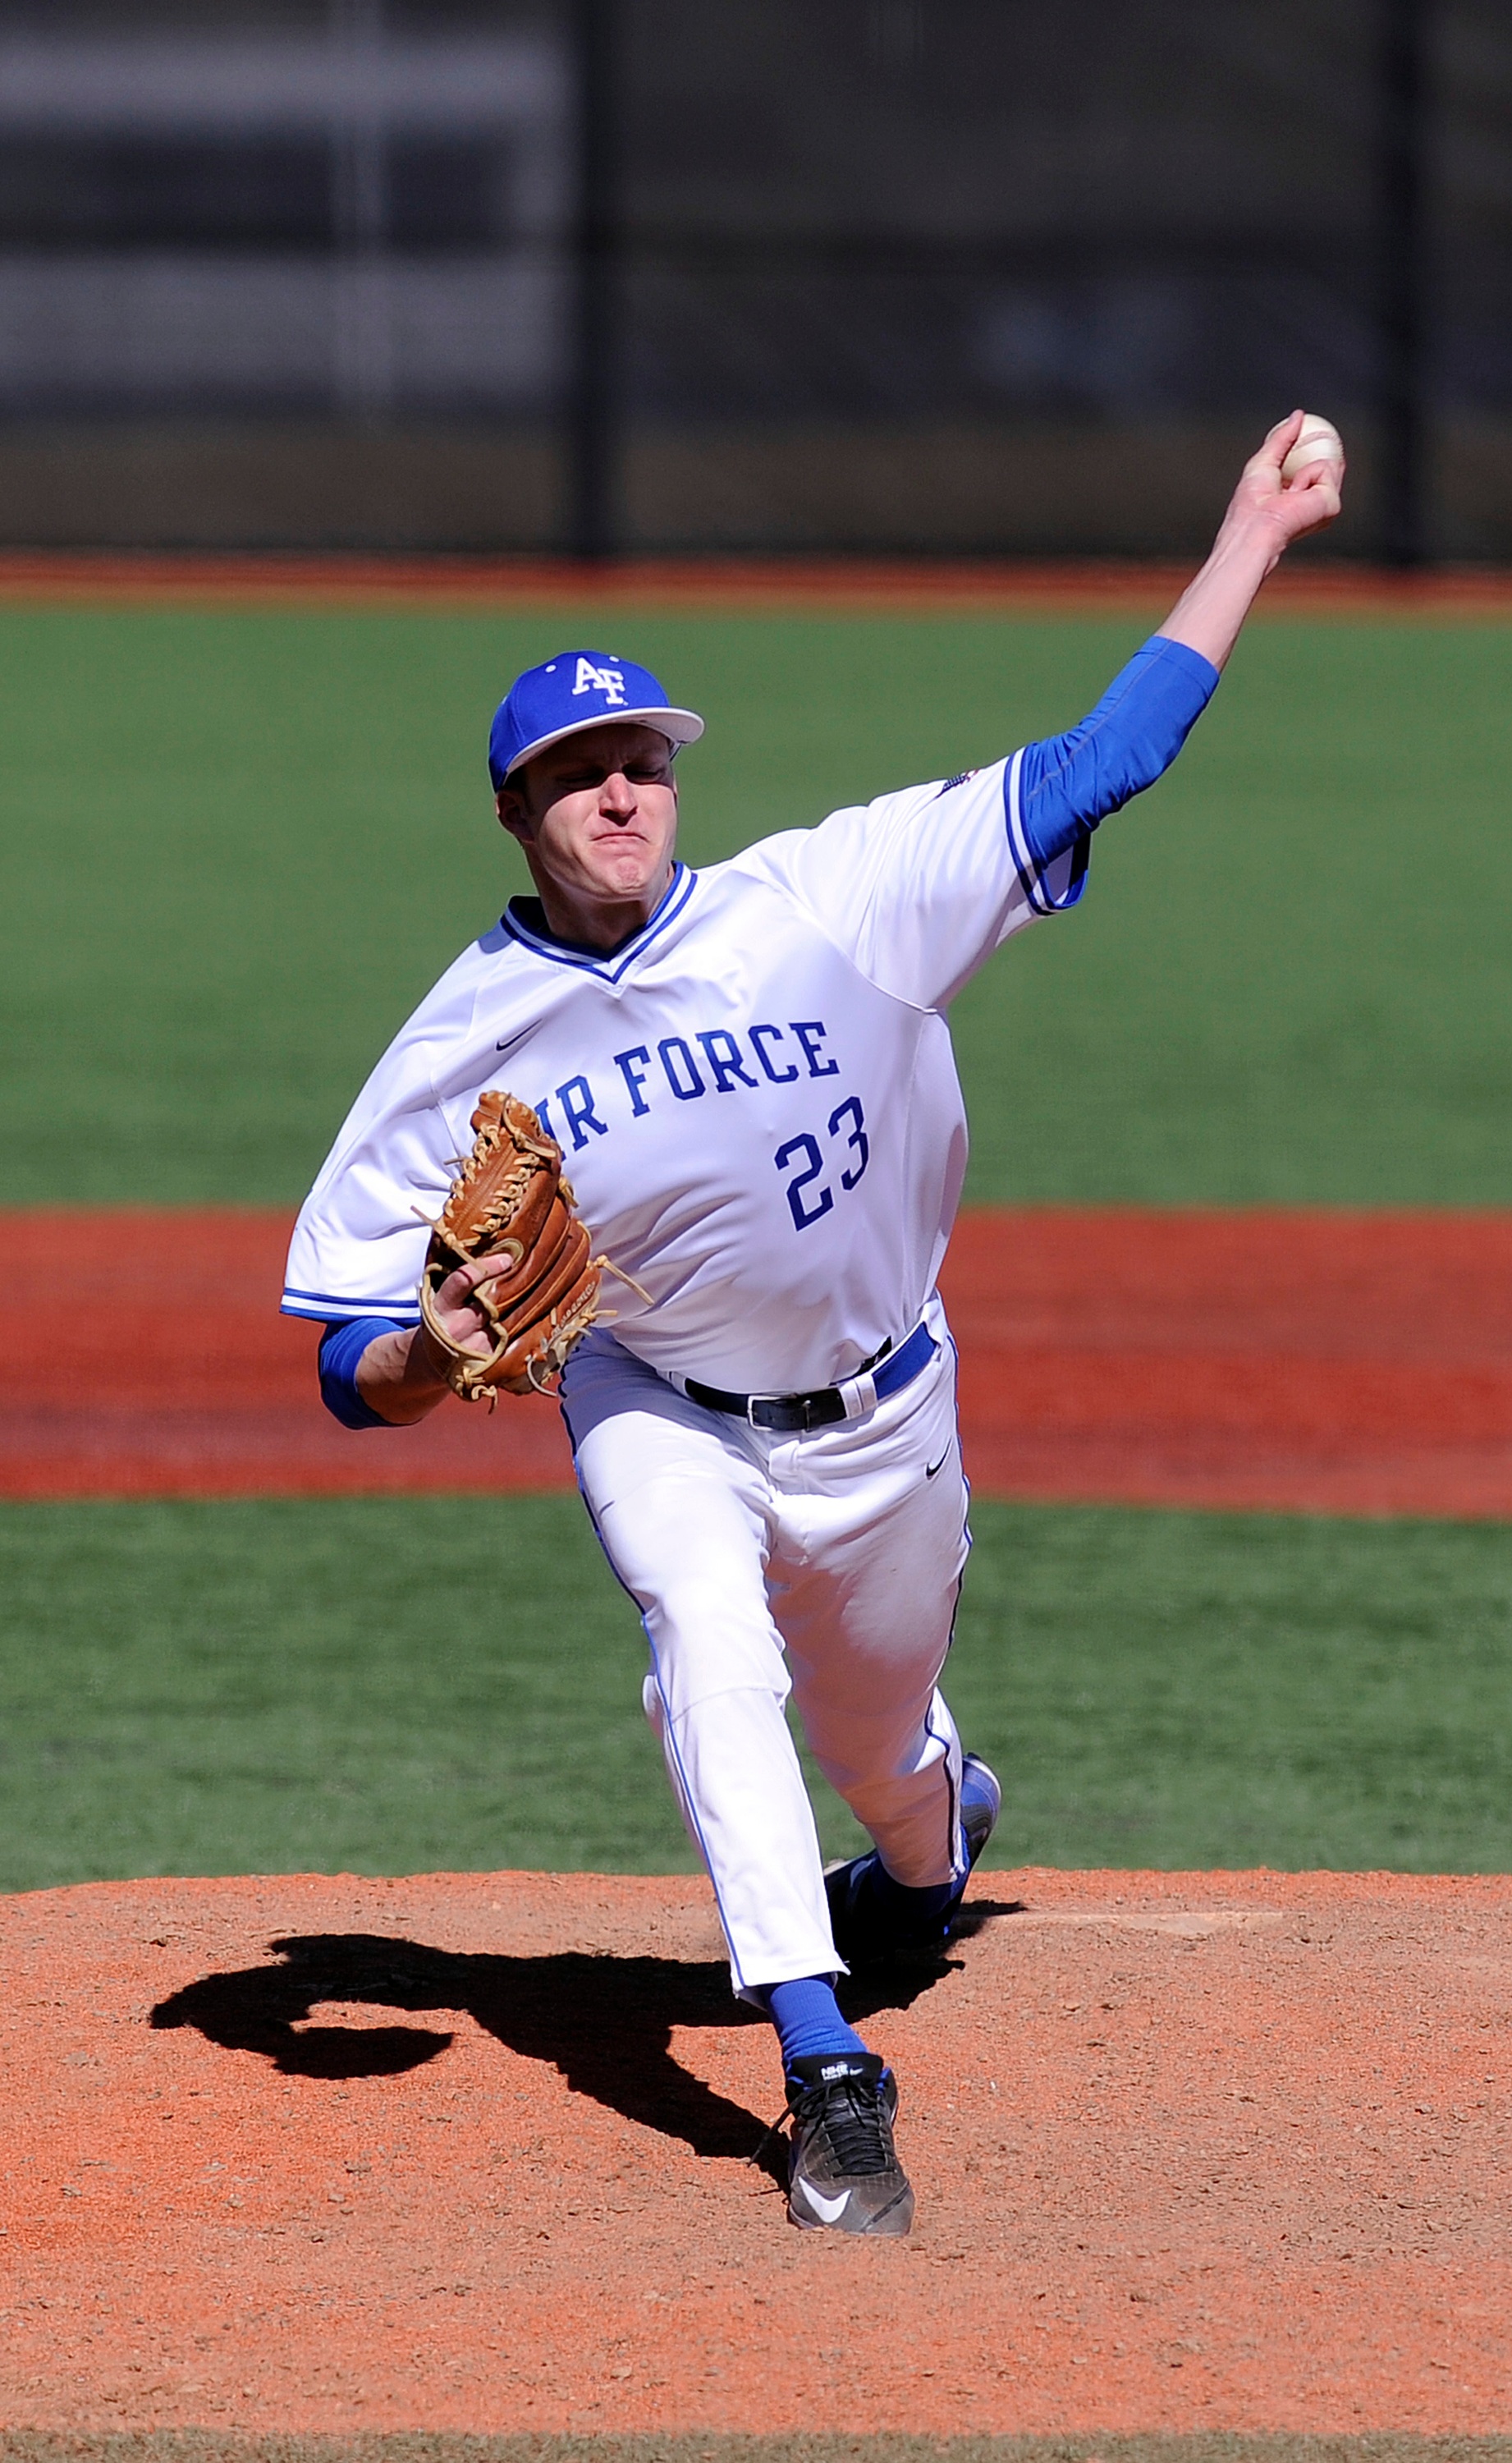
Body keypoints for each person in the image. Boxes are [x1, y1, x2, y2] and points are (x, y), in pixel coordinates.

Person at [283, 412, 1342, 2236]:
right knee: (704, 1642)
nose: (618, 794)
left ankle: (930, 1847)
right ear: (514, 812)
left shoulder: (829, 903)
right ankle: (824, 2066)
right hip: (653, 1400)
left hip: (881, 1414)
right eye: (574, 773)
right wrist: (435, 1356)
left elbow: (1109, 759)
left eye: (641, 763)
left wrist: (1250, 530)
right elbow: (340, 1364)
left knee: (883, 1761)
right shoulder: (458, 1046)